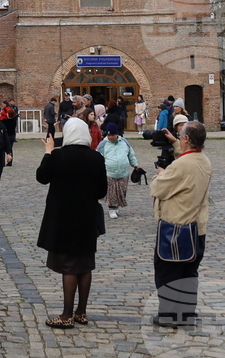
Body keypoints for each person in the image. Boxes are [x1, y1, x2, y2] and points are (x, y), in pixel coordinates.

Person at [36, 119, 108, 328]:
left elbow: (42, 177)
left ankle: (67, 315)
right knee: (84, 265)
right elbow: (102, 191)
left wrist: (49, 151)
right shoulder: (96, 157)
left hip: (63, 217)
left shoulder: (59, 155)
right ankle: (81, 312)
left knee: (69, 265)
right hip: (87, 216)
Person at [150, 121, 212, 327]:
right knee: (188, 272)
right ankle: (185, 314)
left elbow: (158, 188)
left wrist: (160, 173)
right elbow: (188, 159)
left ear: (186, 139)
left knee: (168, 272)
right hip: (197, 227)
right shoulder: (203, 160)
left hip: (176, 226)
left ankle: (168, 315)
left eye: (180, 135)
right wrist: (175, 144)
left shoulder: (181, 165)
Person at [96, 123, 142, 219]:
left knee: (121, 191)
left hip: (123, 172)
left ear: (117, 134)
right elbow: (98, 158)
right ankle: (112, 208)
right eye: (108, 135)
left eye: (112, 135)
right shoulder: (103, 144)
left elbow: (131, 155)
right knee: (112, 192)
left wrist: (135, 164)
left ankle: (116, 206)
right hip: (109, 172)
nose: (110, 137)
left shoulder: (124, 142)